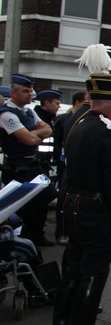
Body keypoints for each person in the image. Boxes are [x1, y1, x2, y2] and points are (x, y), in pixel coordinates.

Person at [48, 44, 111, 325]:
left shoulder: (77, 123)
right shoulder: (109, 131)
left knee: (73, 269)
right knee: (93, 273)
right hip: (96, 212)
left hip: (73, 206)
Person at [0, 74, 58, 246]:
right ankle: (23, 232)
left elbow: (48, 130)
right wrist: (36, 135)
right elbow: (30, 140)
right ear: (14, 93)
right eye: (26, 91)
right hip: (18, 167)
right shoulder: (7, 114)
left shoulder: (29, 112)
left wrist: (33, 134)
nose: (30, 94)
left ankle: (35, 234)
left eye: (31, 90)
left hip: (33, 164)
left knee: (46, 195)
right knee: (25, 202)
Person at [53, 91, 91, 246]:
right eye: (86, 101)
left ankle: (72, 230)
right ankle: (61, 231)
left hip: (78, 163)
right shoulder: (66, 119)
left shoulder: (85, 118)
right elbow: (57, 142)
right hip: (66, 163)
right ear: (78, 102)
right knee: (64, 196)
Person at [34, 89, 62, 172]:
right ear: (46, 103)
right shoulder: (36, 118)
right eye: (57, 103)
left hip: (49, 163)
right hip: (37, 163)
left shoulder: (53, 119)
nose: (59, 106)